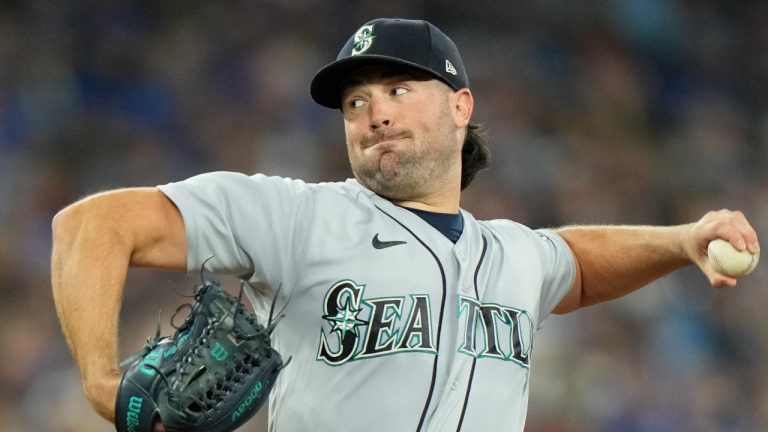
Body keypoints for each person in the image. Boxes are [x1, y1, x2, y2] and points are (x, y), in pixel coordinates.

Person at [51, 18, 759, 432]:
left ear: (460, 106)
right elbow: (91, 226)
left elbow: (570, 262)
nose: (374, 113)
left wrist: (680, 241)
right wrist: (98, 382)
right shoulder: (295, 217)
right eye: (355, 102)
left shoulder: (510, 254)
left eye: (396, 90)